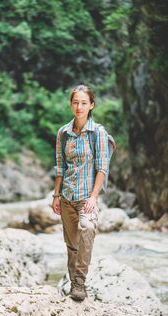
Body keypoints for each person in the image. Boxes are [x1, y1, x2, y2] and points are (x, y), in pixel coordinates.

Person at [52, 84, 110, 302]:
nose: (79, 106)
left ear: (91, 105)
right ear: (71, 104)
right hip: (66, 196)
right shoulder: (63, 133)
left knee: (87, 227)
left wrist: (94, 197)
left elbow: (102, 168)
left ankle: (79, 282)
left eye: (84, 102)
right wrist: (56, 195)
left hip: (87, 196)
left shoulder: (98, 133)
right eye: (75, 102)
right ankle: (72, 283)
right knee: (71, 244)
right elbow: (60, 167)